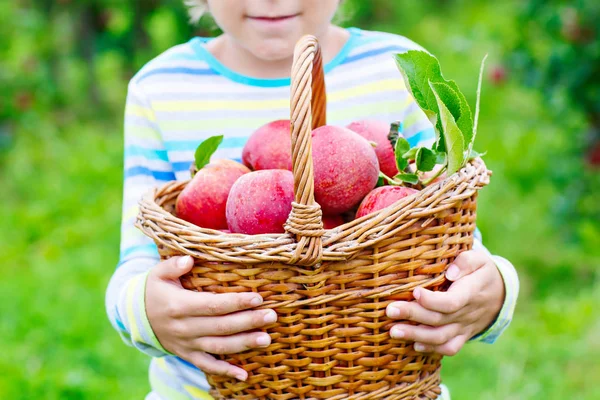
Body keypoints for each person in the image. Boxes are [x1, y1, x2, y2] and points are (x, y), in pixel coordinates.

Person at [105, 1, 519, 399]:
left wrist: (492, 292)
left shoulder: (393, 67)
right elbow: (137, 259)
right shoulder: (163, 88)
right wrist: (148, 312)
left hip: (385, 383)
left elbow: (453, 239)